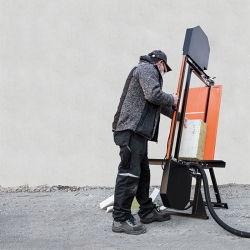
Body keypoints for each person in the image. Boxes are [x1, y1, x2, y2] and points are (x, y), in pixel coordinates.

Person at [111, 50, 180, 235]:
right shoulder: (147, 69)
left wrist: (180, 117)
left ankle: (147, 211)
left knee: (142, 174)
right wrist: (172, 98)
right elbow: (154, 95)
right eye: (165, 69)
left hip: (137, 133)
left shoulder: (147, 71)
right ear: (161, 64)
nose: (164, 73)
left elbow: (159, 104)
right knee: (129, 175)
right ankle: (120, 219)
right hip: (130, 130)